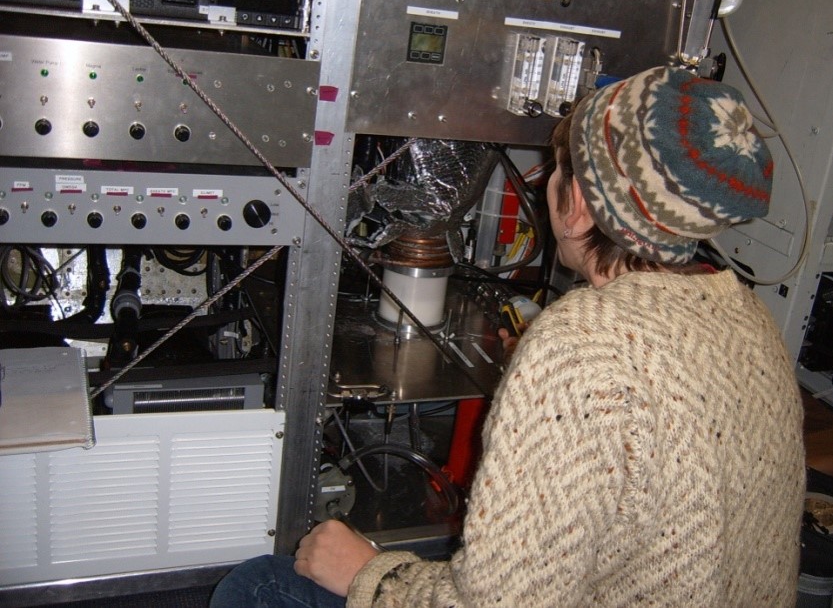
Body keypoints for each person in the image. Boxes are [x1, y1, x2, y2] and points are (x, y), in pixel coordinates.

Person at [210, 66, 806, 607]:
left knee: (259, 584)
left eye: (558, 171)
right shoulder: (748, 317)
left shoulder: (580, 345)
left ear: (576, 207)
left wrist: (370, 573)